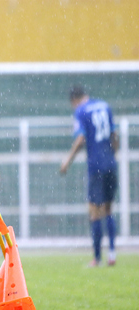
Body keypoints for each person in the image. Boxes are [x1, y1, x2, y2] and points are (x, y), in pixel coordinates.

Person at [60, 85, 118, 267]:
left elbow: (80, 138)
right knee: (108, 209)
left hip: (96, 166)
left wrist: (67, 161)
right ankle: (112, 254)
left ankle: (97, 258)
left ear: (74, 100)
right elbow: (114, 136)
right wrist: (111, 155)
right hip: (110, 164)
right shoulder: (104, 105)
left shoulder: (81, 111)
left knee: (94, 212)